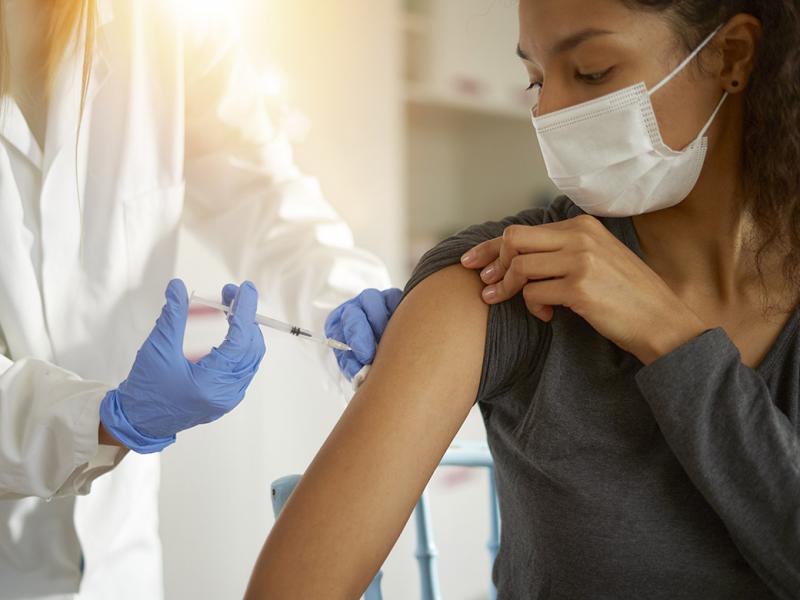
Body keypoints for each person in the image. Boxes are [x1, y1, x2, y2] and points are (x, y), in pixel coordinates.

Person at [250, 0, 800, 597]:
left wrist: (672, 338)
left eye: (592, 71)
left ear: (732, 54)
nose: (549, 111)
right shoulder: (500, 277)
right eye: (535, 79)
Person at [0, 0, 397, 598]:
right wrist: (103, 420)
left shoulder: (162, 24)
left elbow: (260, 193)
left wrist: (342, 292)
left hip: (119, 558)